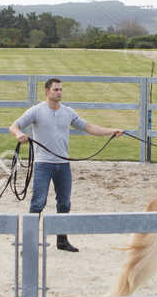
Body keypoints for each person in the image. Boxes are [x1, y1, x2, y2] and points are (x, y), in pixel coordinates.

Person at [10, 77, 122, 252]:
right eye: (56, 90)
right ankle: (30, 243)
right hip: (43, 164)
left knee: (64, 203)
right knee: (38, 203)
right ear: (47, 91)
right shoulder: (36, 111)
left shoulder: (68, 112)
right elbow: (14, 126)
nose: (59, 92)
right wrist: (18, 135)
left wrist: (111, 131)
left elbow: (89, 127)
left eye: (61, 89)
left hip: (63, 164)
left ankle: (62, 241)